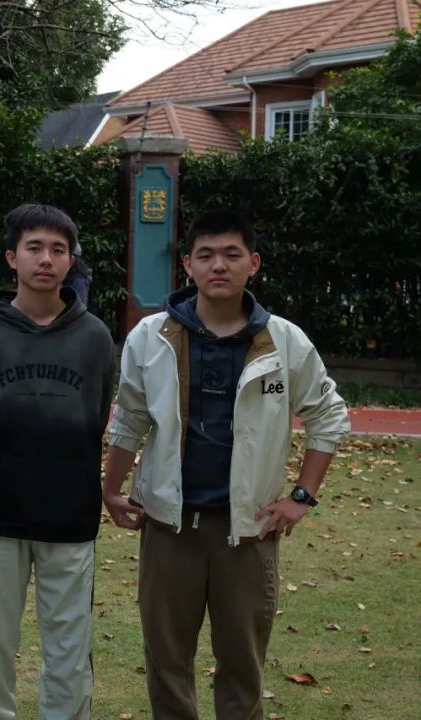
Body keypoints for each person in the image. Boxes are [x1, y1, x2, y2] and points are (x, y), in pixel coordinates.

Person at [102, 209, 350, 720]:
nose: (219, 265)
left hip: (248, 531)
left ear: (253, 263)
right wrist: (111, 488)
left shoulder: (283, 341)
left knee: (242, 664)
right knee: (167, 661)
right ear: (188, 265)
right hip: (169, 527)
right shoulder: (151, 336)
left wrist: (301, 496)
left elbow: (328, 415)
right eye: (207, 255)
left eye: (232, 254)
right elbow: (129, 417)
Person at [0, 203, 116, 720]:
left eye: (58, 250)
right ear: (11, 257)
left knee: (69, 650)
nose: (46, 259)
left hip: (71, 515)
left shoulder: (94, 337)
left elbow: (96, 414)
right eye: (35, 248)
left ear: (70, 260)